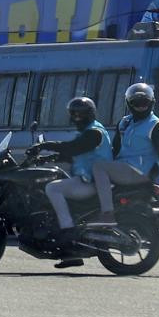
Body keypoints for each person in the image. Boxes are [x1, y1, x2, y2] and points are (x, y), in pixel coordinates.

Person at [27, 97, 113, 268]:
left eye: (80, 113)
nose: (76, 117)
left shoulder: (94, 133)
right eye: (73, 113)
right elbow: (75, 153)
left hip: (91, 183)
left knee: (52, 188)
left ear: (89, 114)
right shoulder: (88, 132)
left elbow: (73, 147)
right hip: (85, 179)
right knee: (56, 181)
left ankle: (68, 233)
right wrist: (48, 158)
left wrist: (44, 145)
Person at [92, 83, 159, 225]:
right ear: (129, 103)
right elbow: (115, 149)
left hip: (140, 171)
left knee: (98, 167)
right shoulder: (124, 123)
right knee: (92, 168)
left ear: (152, 102)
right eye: (136, 103)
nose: (141, 106)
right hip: (122, 169)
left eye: (145, 102)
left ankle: (107, 213)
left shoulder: (156, 126)